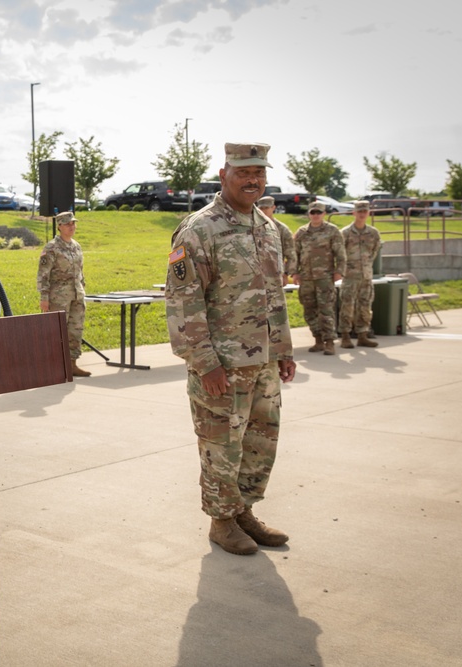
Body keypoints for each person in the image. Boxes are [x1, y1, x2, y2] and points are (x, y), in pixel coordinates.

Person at [165, 142, 296, 556]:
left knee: (260, 442)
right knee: (221, 445)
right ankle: (221, 522)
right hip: (222, 365)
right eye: (244, 172)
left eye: (259, 171)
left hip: (264, 362)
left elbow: (274, 294)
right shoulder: (200, 228)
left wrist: (283, 350)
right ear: (224, 174)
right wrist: (205, 363)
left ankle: (244, 512)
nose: (253, 179)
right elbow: (183, 301)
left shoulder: (268, 227)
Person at [37, 211, 90, 377]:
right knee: (56, 331)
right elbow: (43, 274)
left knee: (75, 330)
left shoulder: (76, 246)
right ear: (59, 226)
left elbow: (80, 271)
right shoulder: (52, 247)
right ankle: (53, 367)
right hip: (58, 296)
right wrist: (44, 297)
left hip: (77, 295)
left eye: (73, 223)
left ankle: (72, 364)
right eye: (67, 224)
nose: (71, 227)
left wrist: (82, 288)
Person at [293, 200, 346, 355]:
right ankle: (317, 339)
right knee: (309, 310)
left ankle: (329, 342)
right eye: (313, 212)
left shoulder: (332, 231)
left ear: (324, 214)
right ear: (309, 214)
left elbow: (341, 254)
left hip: (325, 277)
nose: (315, 215)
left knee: (326, 310)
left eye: (319, 212)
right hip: (306, 278)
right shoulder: (302, 232)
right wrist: (294, 272)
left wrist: (339, 271)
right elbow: (294, 254)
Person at [339, 200, 382, 348]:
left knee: (365, 306)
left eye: (365, 211)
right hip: (350, 276)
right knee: (347, 306)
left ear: (368, 213)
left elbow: (374, 252)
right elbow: (339, 254)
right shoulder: (345, 233)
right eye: (360, 211)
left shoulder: (373, 233)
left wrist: (366, 268)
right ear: (354, 213)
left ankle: (362, 335)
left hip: (366, 276)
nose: (362, 214)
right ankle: (345, 336)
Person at [257, 195, 297, 285]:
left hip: (275, 276)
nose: (263, 211)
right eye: (261, 208)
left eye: (266, 208)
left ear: (273, 208)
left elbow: (291, 255)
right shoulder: (251, 227)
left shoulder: (282, 229)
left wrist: (286, 274)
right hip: (255, 277)